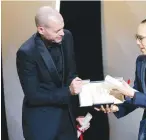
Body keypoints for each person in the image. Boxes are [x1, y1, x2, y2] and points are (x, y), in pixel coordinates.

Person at [16, 6, 89, 140]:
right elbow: (34, 96)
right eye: (57, 30)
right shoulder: (26, 52)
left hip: (66, 120)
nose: (62, 33)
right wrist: (68, 91)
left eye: (62, 27)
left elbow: (71, 74)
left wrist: (76, 112)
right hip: (42, 124)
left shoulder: (67, 37)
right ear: (41, 30)